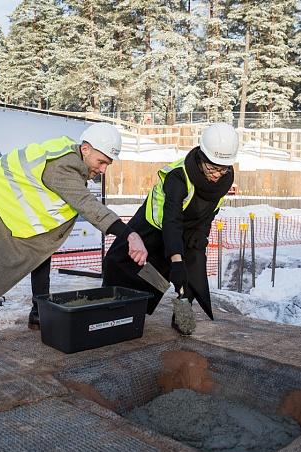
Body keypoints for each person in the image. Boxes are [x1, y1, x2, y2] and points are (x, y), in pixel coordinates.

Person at [0, 123, 149, 349]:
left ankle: (38, 312)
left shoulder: (74, 160)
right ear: (86, 149)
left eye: (108, 163)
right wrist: (129, 234)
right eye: (102, 162)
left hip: (6, 196)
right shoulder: (63, 167)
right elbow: (87, 205)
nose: (104, 169)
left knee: (41, 248)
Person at [102, 123, 238, 333]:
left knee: (192, 270)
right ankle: (115, 308)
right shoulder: (178, 176)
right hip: (152, 225)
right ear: (202, 157)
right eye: (212, 168)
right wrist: (176, 260)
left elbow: (209, 213)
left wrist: (199, 241)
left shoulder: (223, 179)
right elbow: (171, 220)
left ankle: (182, 310)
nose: (217, 175)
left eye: (223, 168)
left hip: (190, 229)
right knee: (119, 262)